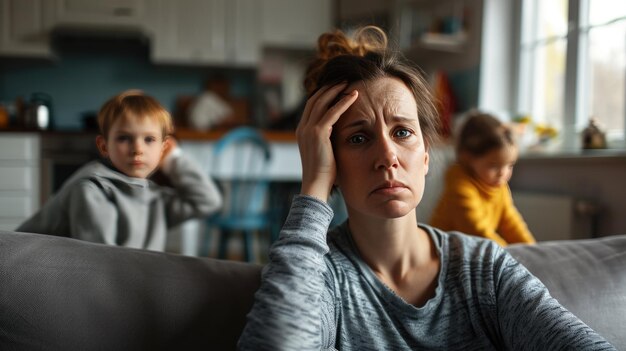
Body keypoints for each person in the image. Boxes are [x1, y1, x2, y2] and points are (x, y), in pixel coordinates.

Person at [238, 26, 615, 350]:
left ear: (426, 156)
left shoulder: (484, 269)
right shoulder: (322, 276)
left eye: (402, 132)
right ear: (331, 161)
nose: (387, 155)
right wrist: (314, 186)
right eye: (358, 138)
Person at [17, 90, 223, 251]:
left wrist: (174, 159)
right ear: (104, 146)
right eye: (124, 138)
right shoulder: (92, 190)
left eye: (149, 140)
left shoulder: (151, 196)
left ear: (163, 148)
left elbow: (207, 201)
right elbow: (100, 266)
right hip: (27, 276)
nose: (138, 149)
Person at [430, 112, 536, 246]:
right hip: (443, 254)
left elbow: (511, 223)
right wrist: (510, 256)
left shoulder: (498, 186)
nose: (503, 174)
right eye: (493, 165)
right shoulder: (460, 190)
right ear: (468, 157)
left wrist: (532, 249)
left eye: (510, 165)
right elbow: (479, 233)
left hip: (472, 251)